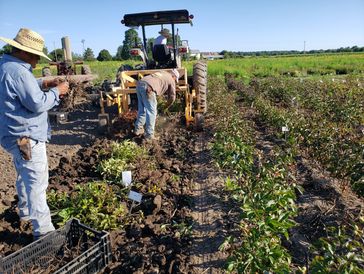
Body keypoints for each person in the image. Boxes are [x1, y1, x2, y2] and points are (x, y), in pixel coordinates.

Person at [0, 28, 69, 240]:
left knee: (24, 174)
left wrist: (42, 83)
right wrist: (58, 92)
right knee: (37, 183)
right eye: (36, 55)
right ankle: (44, 233)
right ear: (25, 52)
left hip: (12, 134)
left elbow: (19, 88)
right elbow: (38, 103)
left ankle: (26, 212)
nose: (38, 60)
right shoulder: (20, 71)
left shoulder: (5, 65)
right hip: (26, 136)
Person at [134, 69, 179, 140]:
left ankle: (138, 129)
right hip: (148, 88)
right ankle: (149, 135)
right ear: (174, 77)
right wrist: (166, 106)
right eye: (175, 80)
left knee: (142, 109)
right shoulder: (171, 80)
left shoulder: (163, 72)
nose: (175, 82)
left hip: (140, 84)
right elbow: (172, 97)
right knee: (152, 112)